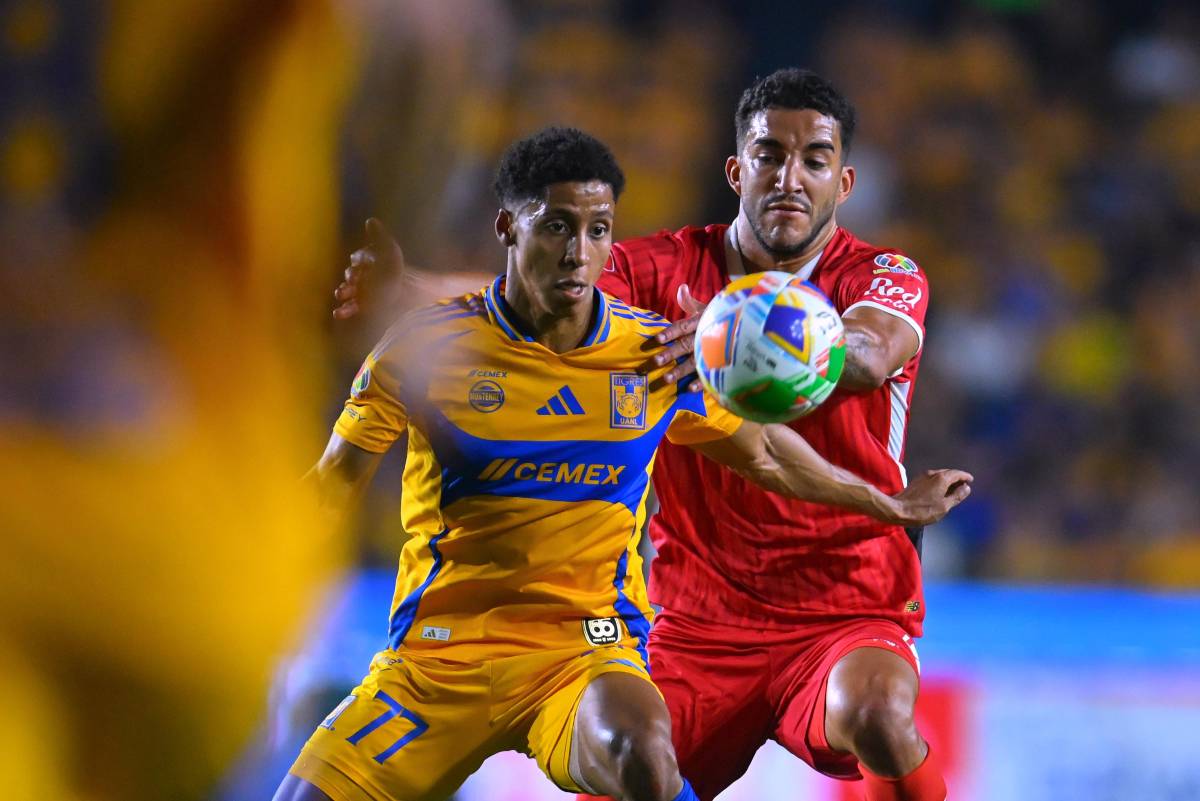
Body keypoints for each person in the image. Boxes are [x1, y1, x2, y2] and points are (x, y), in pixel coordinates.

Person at [281, 125, 969, 801]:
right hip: (436, 661)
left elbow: (764, 454)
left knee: (644, 753)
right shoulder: (424, 349)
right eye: (557, 226)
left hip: (585, 652)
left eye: (598, 230)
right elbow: (329, 489)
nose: (578, 252)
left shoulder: (653, 355)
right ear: (508, 228)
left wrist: (888, 504)